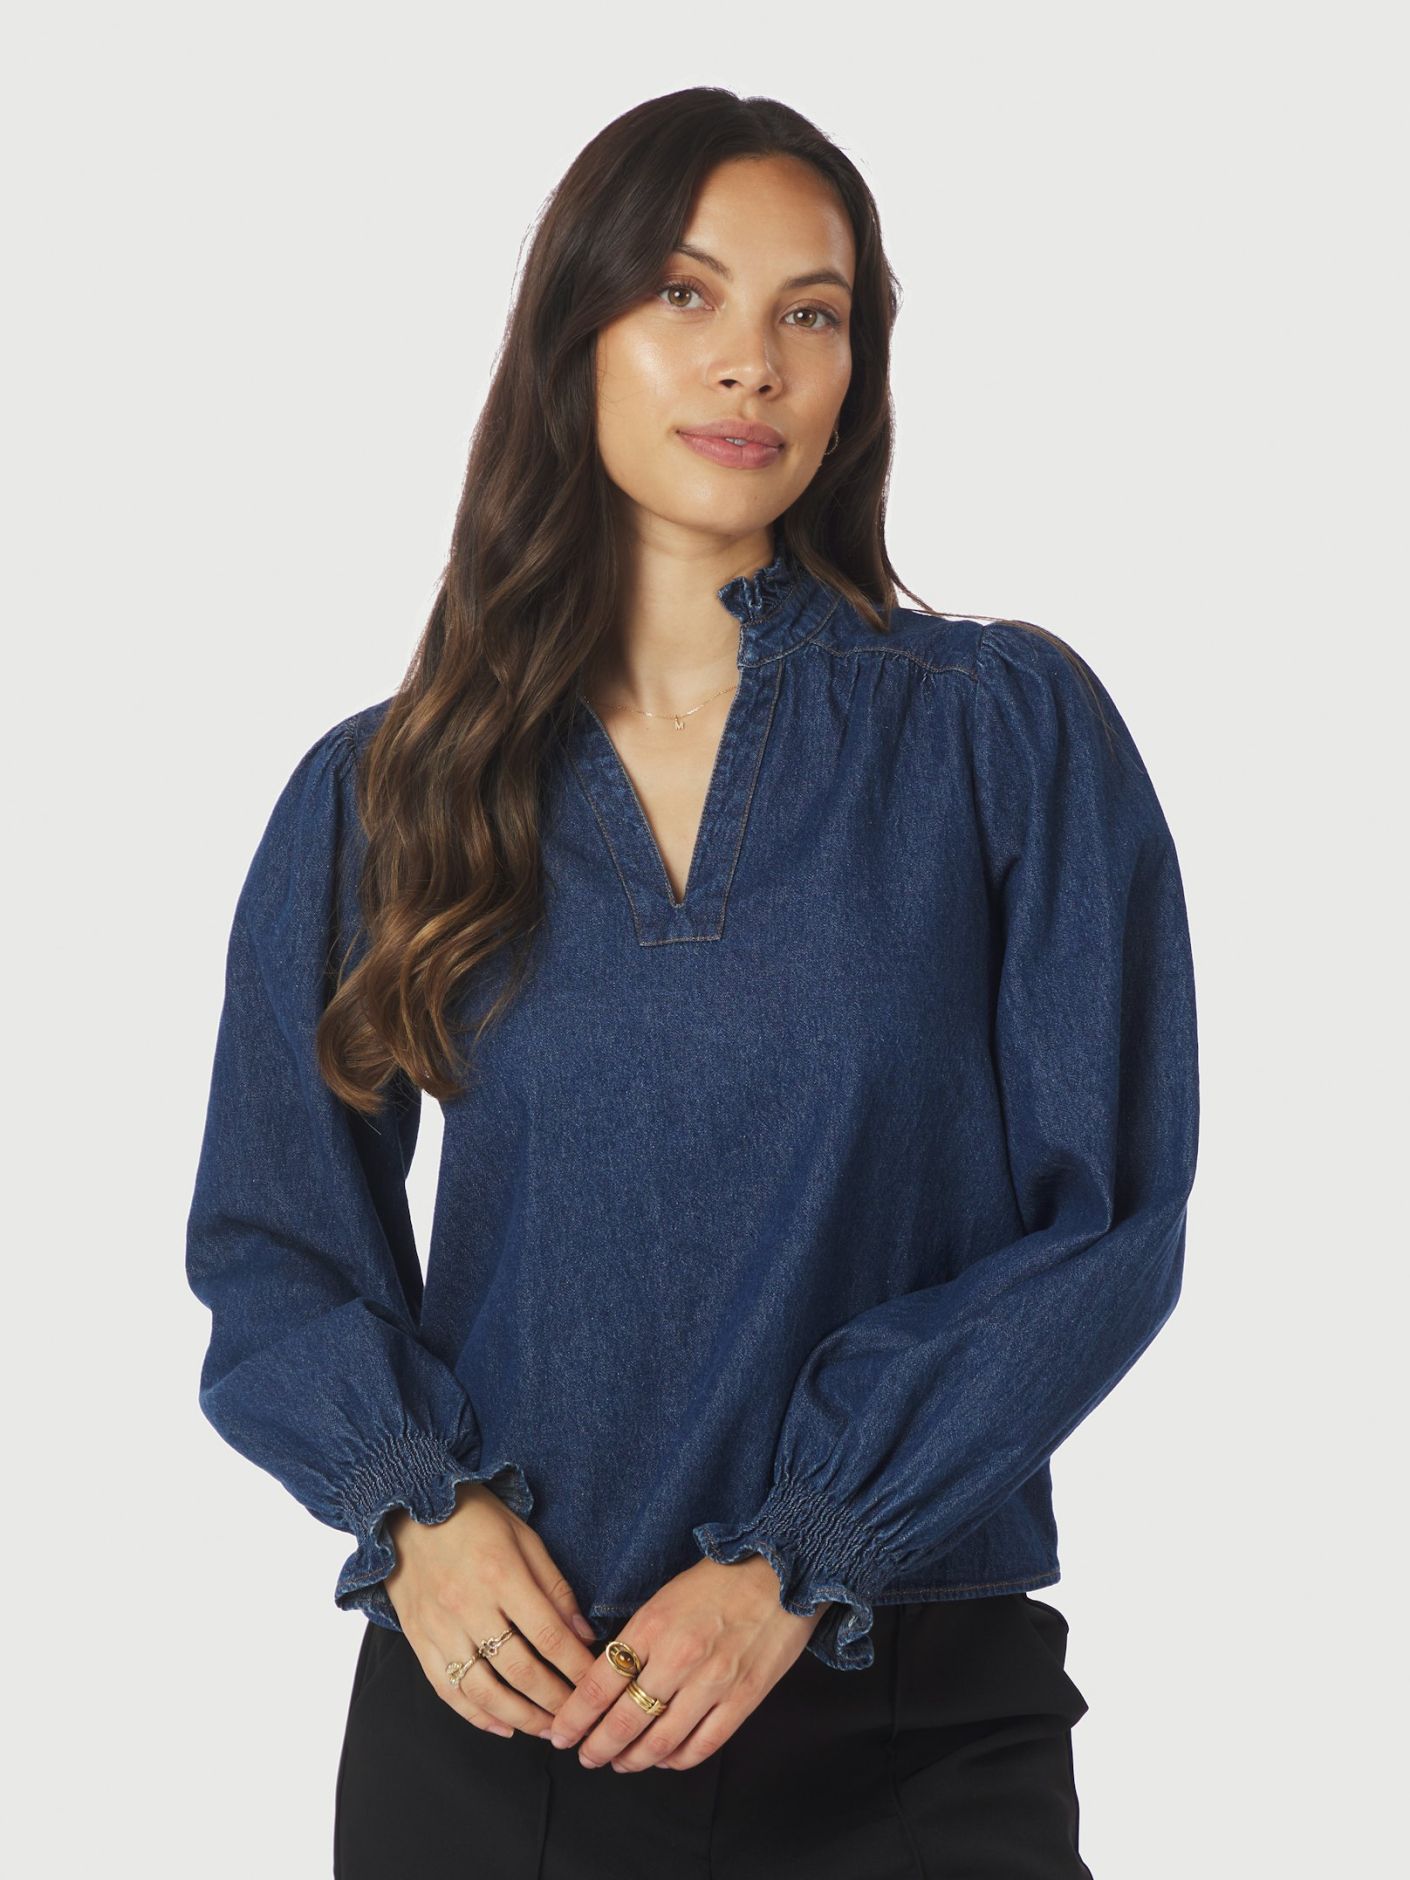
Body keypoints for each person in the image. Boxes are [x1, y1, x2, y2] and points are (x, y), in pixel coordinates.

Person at [185, 86, 1199, 1878]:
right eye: (684, 293)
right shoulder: (382, 794)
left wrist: (803, 1550)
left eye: (813, 311)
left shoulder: (998, 735)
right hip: (509, 1722)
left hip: (907, 1709)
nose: (753, 363)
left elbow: (1106, 1218)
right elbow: (275, 1245)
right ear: (570, 331)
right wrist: (415, 1513)